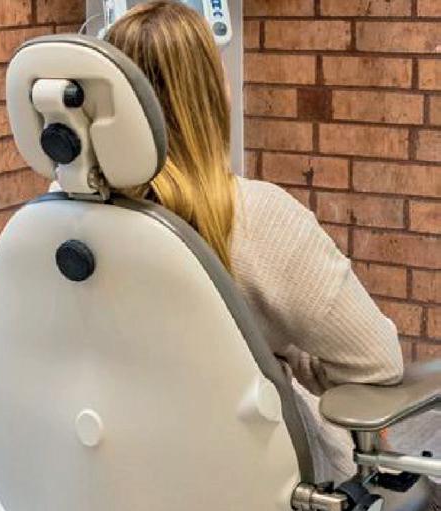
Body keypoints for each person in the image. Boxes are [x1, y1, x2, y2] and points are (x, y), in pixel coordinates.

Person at [105, 0, 404, 485]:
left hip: (120, 490)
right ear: (209, 96)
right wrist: (293, 358)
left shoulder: (69, 231)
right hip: (266, 499)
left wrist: (274, 347)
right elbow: (377, 362)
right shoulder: (257, 217)